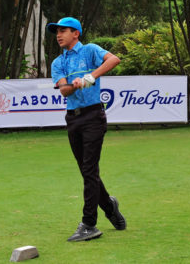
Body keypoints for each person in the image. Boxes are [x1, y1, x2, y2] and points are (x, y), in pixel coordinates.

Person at [46, 17, 126, 242]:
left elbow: (114, 59)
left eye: (63, 31)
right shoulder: (57, 63)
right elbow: (64, 91)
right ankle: (110, 207)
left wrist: (91, 77)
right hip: (73, 119)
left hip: (93, 116)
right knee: (86, 171)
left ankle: (89, 224)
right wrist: (73, 85)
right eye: (57, 32)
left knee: (89, 170)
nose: (59, 35)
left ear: (76, 34)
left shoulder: (90, 50)